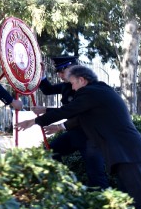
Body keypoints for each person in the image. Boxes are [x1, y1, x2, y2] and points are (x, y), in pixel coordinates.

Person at [15, 65, 141, 209]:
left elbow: (68, 110)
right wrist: (50, 121)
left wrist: (34, 122)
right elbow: (76, 116)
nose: (73, 89)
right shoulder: (98, 92)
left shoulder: (91, 92)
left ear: (82, 80)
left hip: (127, 152)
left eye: (73, 84)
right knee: (130, 198)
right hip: (122, 153)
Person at [38, 56, 108, 189]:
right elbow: (48, 90)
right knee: (50, 151)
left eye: (61, 71)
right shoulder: (66, 85)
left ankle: (102, 203)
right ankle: (63, 185)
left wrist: (48, 112)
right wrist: (42, 76)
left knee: (96, 175)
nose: (59, 75)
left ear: (73, 69)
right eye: (57, 72)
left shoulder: (85, 87)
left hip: (90, 136)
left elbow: (74, 111)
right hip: (74, 133)